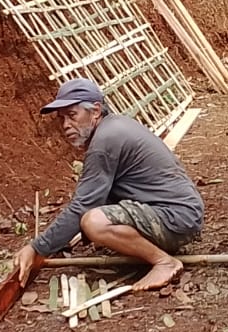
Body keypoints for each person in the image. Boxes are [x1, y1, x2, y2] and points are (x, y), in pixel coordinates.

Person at [14, 78, 204, 292]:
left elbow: (83, 206)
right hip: (181, 214)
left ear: (95, 110)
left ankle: (164, 262)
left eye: (72, 115)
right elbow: (99, 195)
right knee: (92, 218)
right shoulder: (114, 127)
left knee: (94, 222)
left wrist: (36, 248)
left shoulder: (105, 141)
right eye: (62, 119)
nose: (66, 125)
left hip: (176, 218)